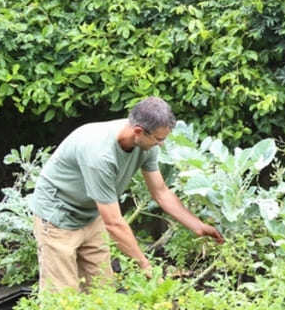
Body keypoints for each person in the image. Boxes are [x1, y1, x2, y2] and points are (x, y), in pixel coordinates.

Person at [30, 97, 224, 291]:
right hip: (58, 216)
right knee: (62, 297)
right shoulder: (100, 155)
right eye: (158, 139)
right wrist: (146, 267)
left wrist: (197, 225)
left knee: (102, 290)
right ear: (138, 131)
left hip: (91, 214)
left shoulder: (146, 144)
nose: (161, 144)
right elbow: (114, 223)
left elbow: (161, 192)